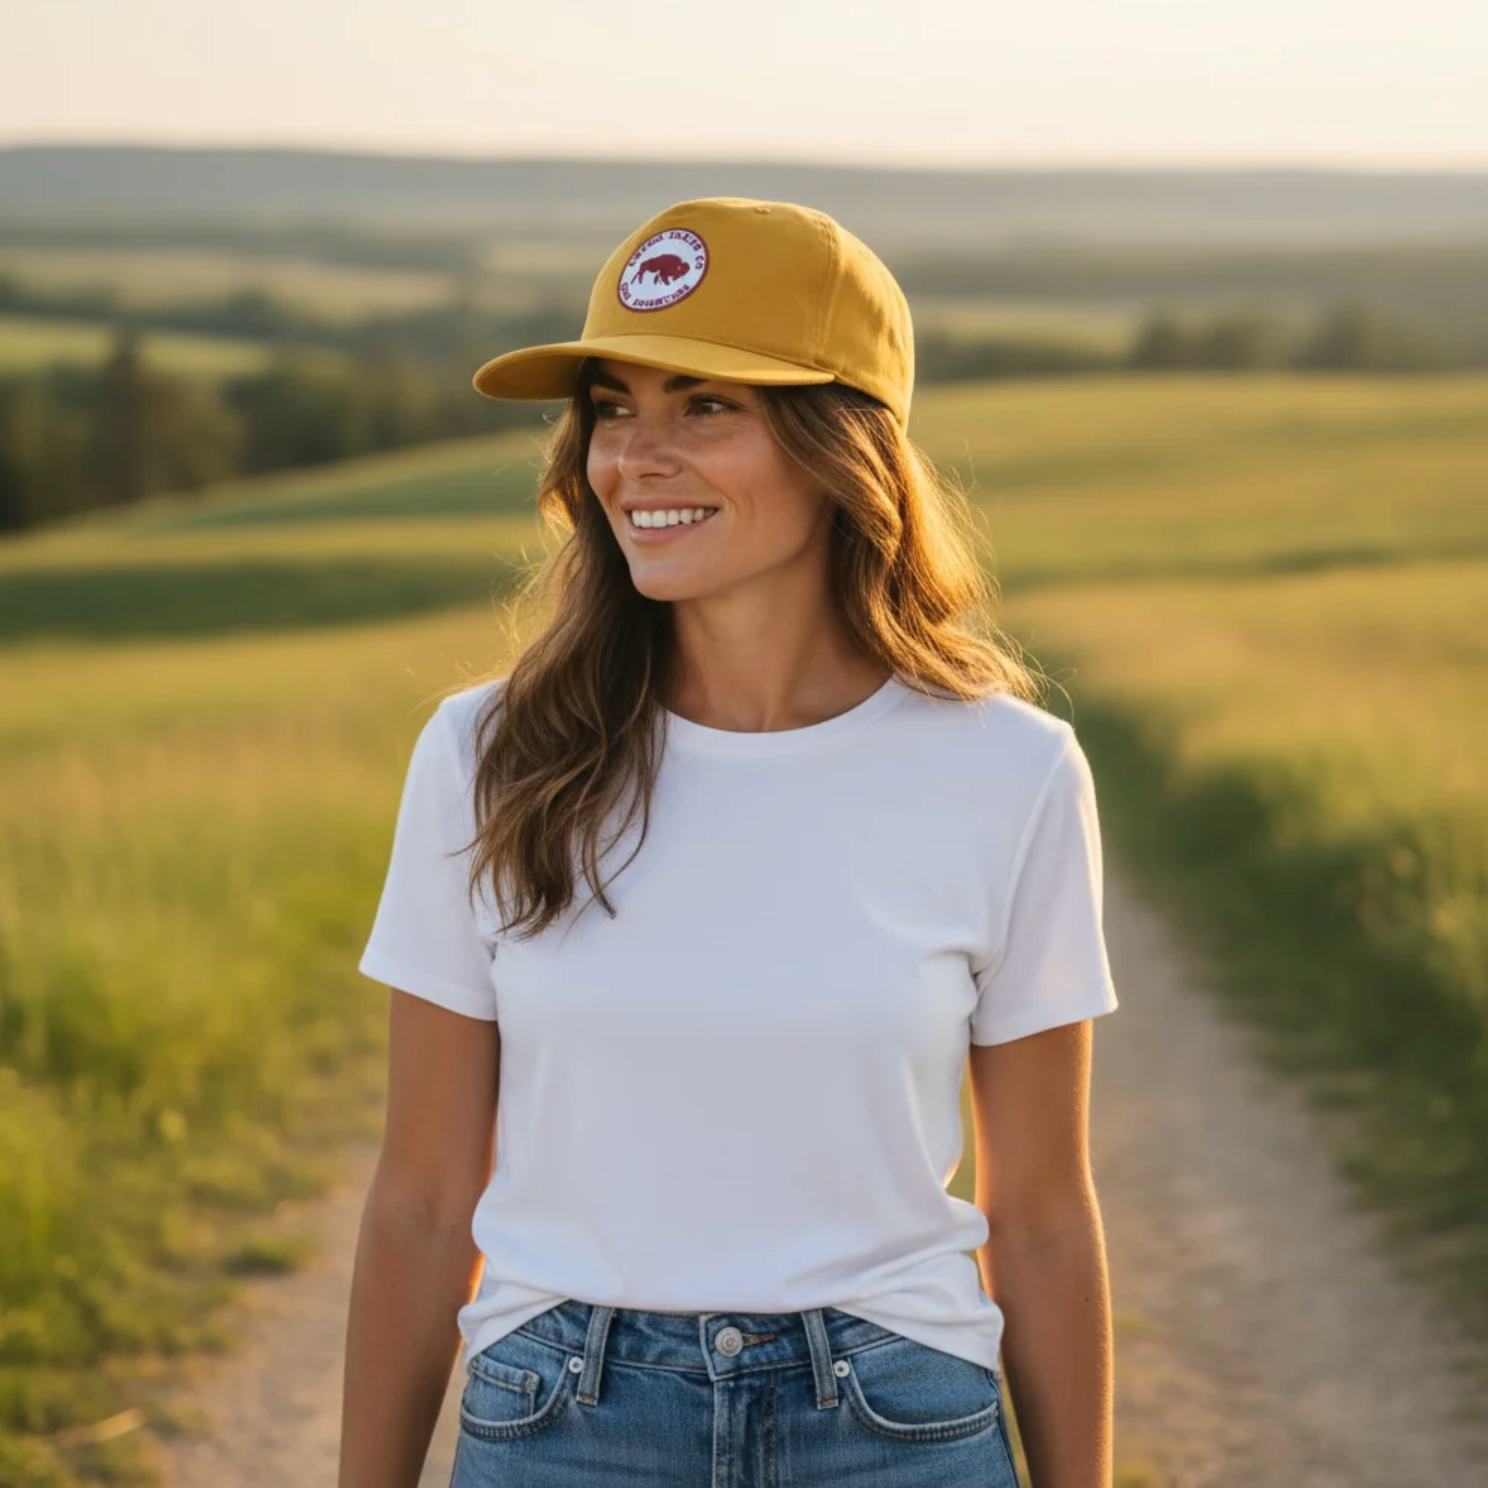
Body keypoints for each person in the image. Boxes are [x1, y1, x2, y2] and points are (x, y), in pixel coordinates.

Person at [340, 196, 1120, 1488]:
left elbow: (1040, 1217)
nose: (634, 456)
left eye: (705, 405)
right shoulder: (487, 757)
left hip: (897, 1426)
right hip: (563, 1424)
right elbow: (422, 1200)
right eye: (610, 404)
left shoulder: (1009, 770)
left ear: (841, 447)